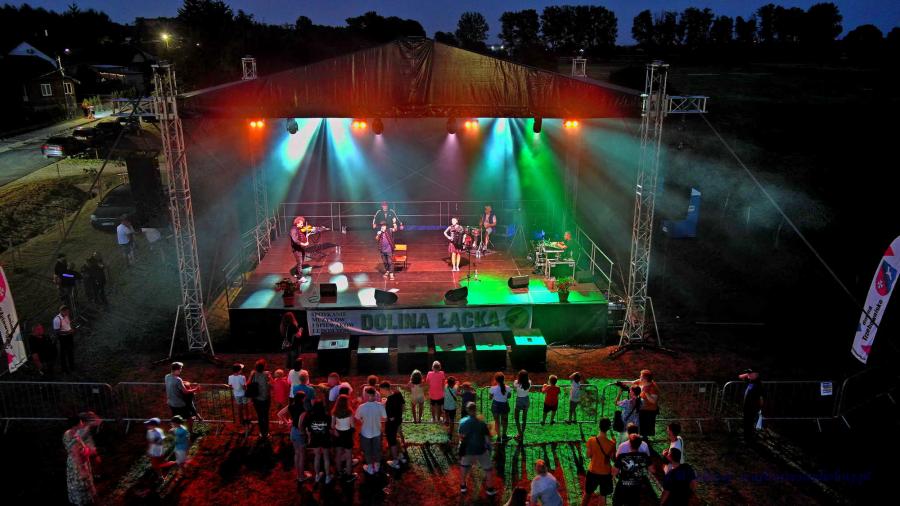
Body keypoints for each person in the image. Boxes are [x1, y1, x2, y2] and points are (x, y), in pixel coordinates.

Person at [458, 401, 497, 496]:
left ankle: (463, 486)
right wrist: (490, 448)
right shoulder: (482, 423)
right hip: (481, 450)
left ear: (467, 410)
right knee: (488, 469)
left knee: (464, 466)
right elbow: (487, 439)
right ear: (475, 410)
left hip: (468, 450)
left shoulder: (462, 422)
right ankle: (489, 489)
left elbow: (461, 436)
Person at [63, 412, 101, 506]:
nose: (82, 423)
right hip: (79, 465)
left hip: (73, 463)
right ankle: (85, 502)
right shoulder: (75, 439)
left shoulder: (67, 433)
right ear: (76, 424)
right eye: (80, 422)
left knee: (77, 485)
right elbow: (77, 454)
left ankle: (81, 500)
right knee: (82, 485)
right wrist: (82, 469)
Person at [613, 427, 653, 506]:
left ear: (630, 443)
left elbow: (614, 472)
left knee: (617, 502)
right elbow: (652, 470)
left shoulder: (622, 456)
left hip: (623, 485)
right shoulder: (644, 456)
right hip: (637, 485)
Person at [583, 418, 616, 506]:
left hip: (593, 471)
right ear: (608, 428)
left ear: (599, 426)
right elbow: (613, 459)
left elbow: (588, 455)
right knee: (603, 496)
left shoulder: (591, 440)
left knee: (587, 493)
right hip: (605, 473)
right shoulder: (612, 443)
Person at [356, 386, 387, 475]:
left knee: (367, 450)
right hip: (377, 431)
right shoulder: (380, 406)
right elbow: (385, 418)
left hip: (365, 432)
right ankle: (377, 466)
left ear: (367, 395)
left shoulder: (361, 407)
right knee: (377, 449)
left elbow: (357, 418)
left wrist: (362, 420)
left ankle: (370, 467)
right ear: (375, 395)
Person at [278, 391, 309, 482]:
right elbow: (300, 424)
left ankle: (298, 474)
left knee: (297, 453)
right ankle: (301, 476)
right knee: (302, 455)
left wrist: (287, 423)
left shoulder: (290, 406)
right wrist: (304, 433)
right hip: (299, 433)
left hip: (292, 431)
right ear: (302, 399)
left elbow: (279, 414)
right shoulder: (303, 410)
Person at [303, 399, 333, 484]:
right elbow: (330, 428)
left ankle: (317, 475)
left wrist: (309, 437)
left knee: (317, 456)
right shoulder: (327, 416)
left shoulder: (310, 417)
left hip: (315, 439)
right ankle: (327, 477)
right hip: (325, 438)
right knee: (326, 457)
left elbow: (307, 429)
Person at [165, 361, 199, 433]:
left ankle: (175, 431)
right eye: (180, 369)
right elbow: (185, 391)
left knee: (176, 419)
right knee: (189, 418)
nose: (181, 370)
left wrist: (183, 382)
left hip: (171, 403)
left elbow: (174, 382)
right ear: (177, 369)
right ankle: (191, 432)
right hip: (179, 404)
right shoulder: (178, 380)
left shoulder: (167, 376)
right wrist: (195, 389)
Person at [331, 394, 356, 482]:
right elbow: (352, 425)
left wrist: (335, 430)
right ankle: (349, 475)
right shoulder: (350, 412)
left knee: (338, 454)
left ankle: (339, 472)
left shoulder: (334, 412)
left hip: (338, 434)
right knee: (349, 456)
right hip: (347, 434)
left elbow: (332, 425)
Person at [381, 381, 407, 468]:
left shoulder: (389, 403)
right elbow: (403, 406)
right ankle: (400, 456)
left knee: (392, 441)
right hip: (399, 420)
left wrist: (384, 407)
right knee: (397, 438)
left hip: (391, 424)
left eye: (381, 390)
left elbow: (390, 418)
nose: (380, 392)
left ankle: (395, 461)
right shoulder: (398, 393)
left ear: (384, 389)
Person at [632, 369, 660, 439]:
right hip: (642, 409)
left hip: (649, 411)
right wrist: (621, 383)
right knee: (640, 428)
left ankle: (644, 440)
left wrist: (646, 393)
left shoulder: (653, 388)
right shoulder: (641, 382)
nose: (639, 377)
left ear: (646, 379)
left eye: (641, 376)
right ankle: (640, 439)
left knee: (645, 430)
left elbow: (653, 401)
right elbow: (632, 383)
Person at [248, 359, 272, 438]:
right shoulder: (266, 374)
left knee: (260, 416)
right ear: (264, 367)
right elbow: (272, 385)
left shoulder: (253, 374)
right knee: (265, 415)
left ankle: (262, 432)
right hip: (265, 398)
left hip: (257, 399)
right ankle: (266, 432)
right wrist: (270, 377)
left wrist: (251, 376)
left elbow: (248, 384)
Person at [740, 368, 764, 443]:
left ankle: (749, 439)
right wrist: (748, 374)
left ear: (756, 374)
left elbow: (761, 398)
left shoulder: (758, 384)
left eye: (750, 373)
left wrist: (760, 408)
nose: (748, 375)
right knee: (746, 423)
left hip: (752, 408)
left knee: (749, 424)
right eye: (748, 373)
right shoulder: (750, 381)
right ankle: (746, 437)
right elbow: (740, 376)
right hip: (746, 407)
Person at [489, 372, 511, 442]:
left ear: (495, 380)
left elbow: (490, 398)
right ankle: (504, 435)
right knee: (505, 421)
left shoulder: (492, 388)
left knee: (497, 422)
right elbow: (509, 396)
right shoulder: (508, 388)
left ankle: (498, 437)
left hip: (495, 405)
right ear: (504, 379)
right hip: (504, 405)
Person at [53, 306, 75, 373]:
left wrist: (71, 330)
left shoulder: (66, 316)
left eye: (68, 311)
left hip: (69, 336)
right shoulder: (57, 319)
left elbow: (68, 324)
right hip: (63, 338)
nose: (68, 313)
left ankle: (72, 366)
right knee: (63, 353)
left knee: (70, 351)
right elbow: (57, 331)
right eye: (66, 312)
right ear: (62, 311)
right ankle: (64, 368)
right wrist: (68, 332)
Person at [289, 216, 310, 283]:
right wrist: (303, 244)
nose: (302, 225)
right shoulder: (293, 230)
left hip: (301, 248)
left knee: (300, 262)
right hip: (297, 249)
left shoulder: (298, 229)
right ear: (297, 223)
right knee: (300, 262)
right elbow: (295, 240)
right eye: (301, 224)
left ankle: (296, 273)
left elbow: (301, 236)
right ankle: (300, 277)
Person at [513, 370, 531, 441]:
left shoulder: (516, 383)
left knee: (516, 418)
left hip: (519, 400)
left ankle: (520, 434)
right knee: (524, 419)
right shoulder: (529, 382)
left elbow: (515, 388)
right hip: (526, 400)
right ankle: (521, 434)